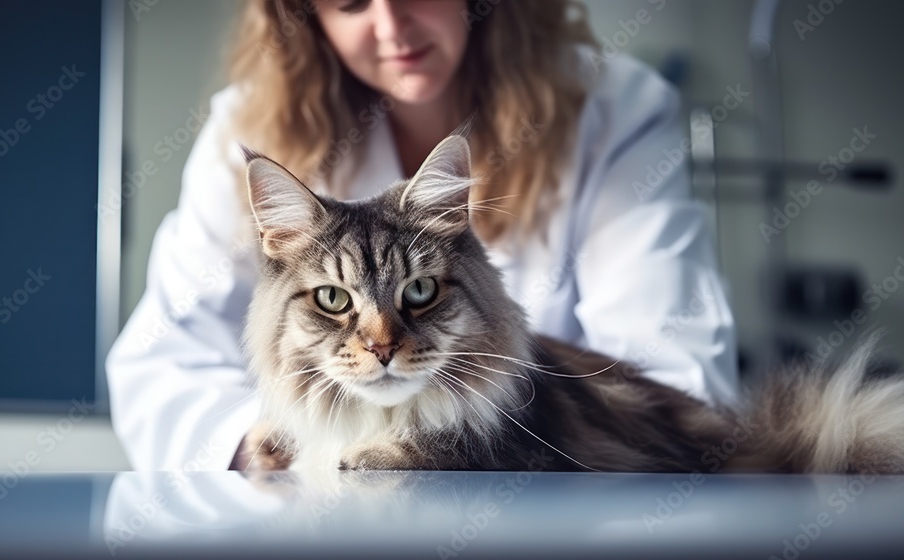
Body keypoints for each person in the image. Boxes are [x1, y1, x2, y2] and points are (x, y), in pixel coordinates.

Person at [106, 0, 740, 471]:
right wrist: (268, 440)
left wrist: (483, 436)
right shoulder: (245, 127)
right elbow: (162, 358)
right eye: (351, 3)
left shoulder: (614, 107)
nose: (392, 25)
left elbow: (668, 367)